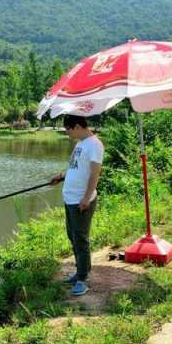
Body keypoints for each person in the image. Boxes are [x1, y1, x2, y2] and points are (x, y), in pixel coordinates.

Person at [51, 115, 104, 296]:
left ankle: (83, 279)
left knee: (81, 239)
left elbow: (94, 175)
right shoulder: (81, 144)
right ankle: (82, 270)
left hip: (81, 201)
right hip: (70, 198)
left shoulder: (94, 145)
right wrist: (62, 176)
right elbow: (77, 168)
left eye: (67, 129)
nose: (67, 133)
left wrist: (87, 198)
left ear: (76, 126)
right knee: (73, 236)